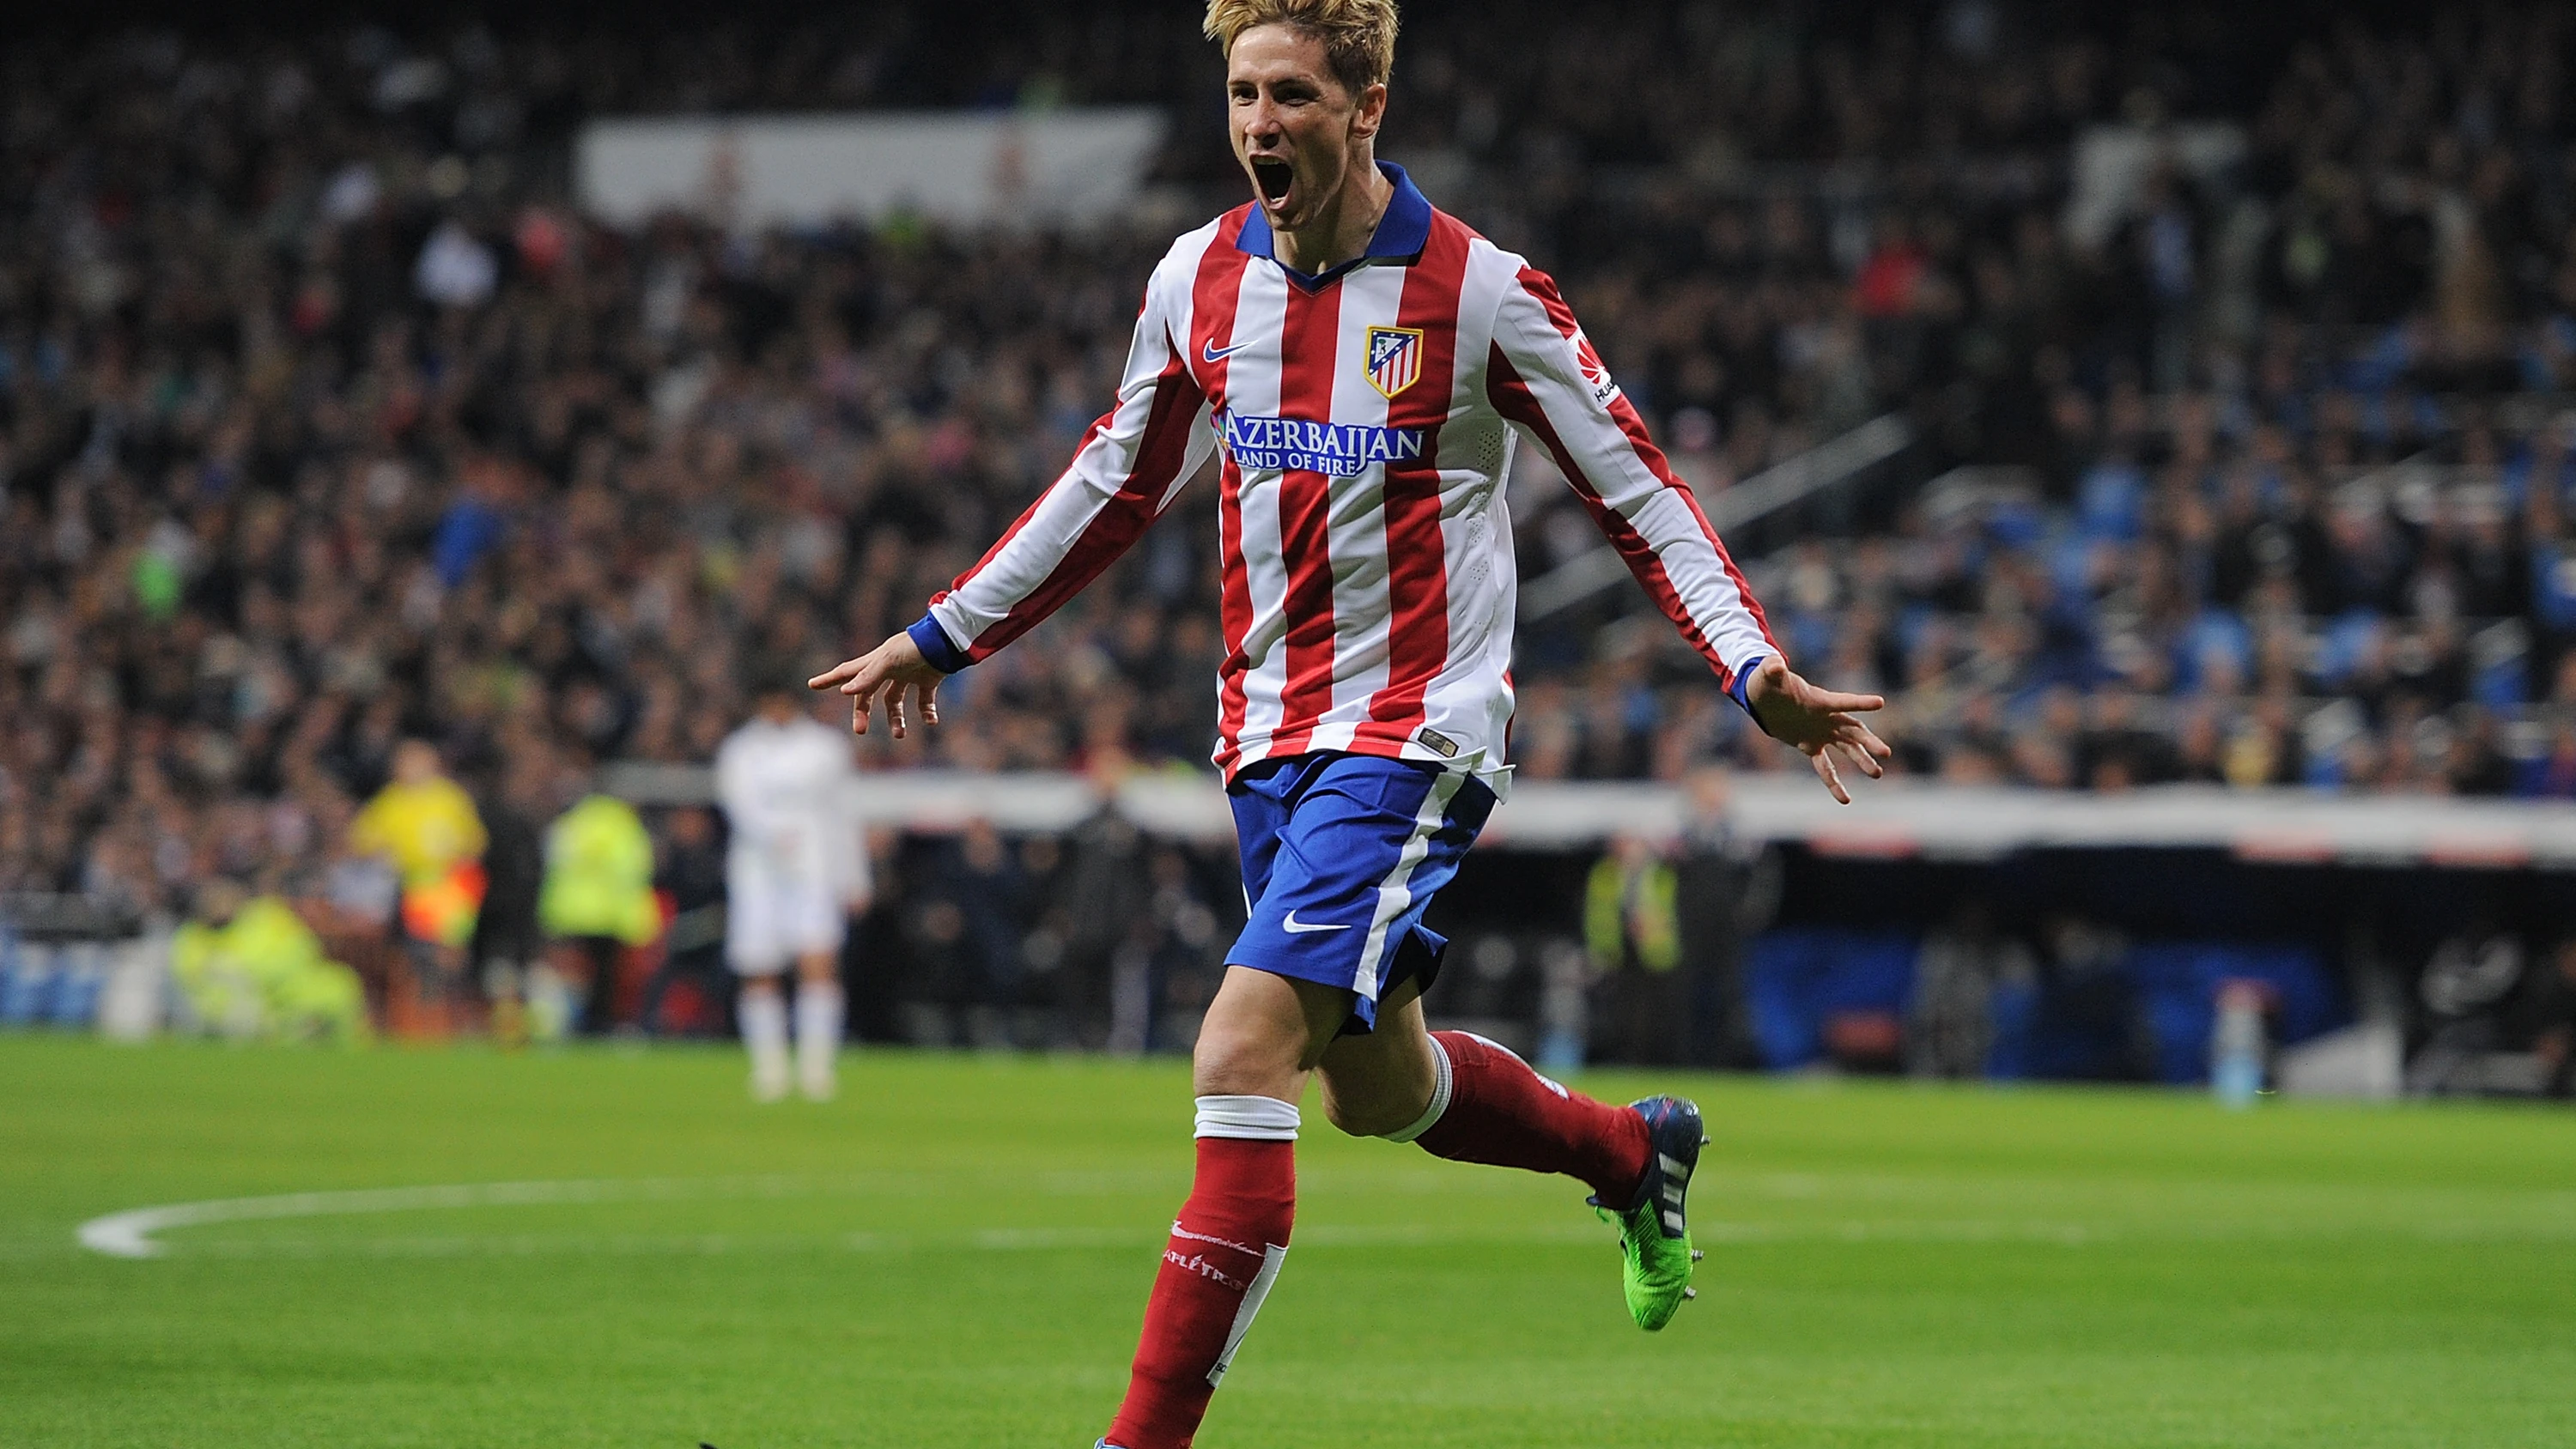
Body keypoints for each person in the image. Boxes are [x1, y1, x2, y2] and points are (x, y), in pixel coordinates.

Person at [810, 4, 1889, 1443]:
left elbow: (1643, 497)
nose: (1261, 123)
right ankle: (1635, 1153)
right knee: (1381, 1088)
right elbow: (1112, 484)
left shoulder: (1485, 294)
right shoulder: (1196, 277)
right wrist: (944, 631)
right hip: (1264, 735)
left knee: (1239, 1048)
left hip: (1416, 734)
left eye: (1295, 95)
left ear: (1369, 104)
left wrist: (1757, 675)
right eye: (1243, 94)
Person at [715, 684, 872, 1101]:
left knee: (818, 962)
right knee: (759, 967)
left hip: (814, 870)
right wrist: (772, 835)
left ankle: (816, 1068)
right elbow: (738, 806)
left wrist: (855, 878)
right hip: (757, 874)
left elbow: (844, 814)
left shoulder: (825, 748)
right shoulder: (741, 749)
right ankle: (769, 1069)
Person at [349, 740, 487, 1035]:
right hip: (403, 888)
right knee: (404, 959)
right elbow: (362, 842)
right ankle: (412, 1022)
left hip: (442, 891)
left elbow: (474, 844)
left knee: (443, 959)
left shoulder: (448, 799)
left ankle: (450, 1022)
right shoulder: (392, 800)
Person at [537, 781, 664, 1037]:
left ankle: (562, 1025)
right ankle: (598, 1025)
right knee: (607, 978)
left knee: (570, 974)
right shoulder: (622, 823)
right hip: (609, 916)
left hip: (568, 912)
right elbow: (637, 867)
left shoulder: (573, 821)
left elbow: (552, 859)